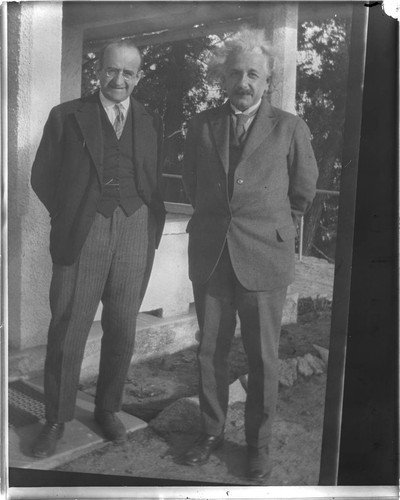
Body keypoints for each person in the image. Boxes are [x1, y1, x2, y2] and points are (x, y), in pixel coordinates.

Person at [182, 26, 318, 480]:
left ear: (267, 81)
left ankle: (257, 445)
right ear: (223, 77)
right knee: (209, 354)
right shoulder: (201, 126)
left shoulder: (291, 128)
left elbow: (302, 192)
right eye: (236, 72)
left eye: (254, 75)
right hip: (212, 256)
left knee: (263, 358)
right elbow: (192, 184)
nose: (244, 82)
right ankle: (211, 432)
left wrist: (274, 230)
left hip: (264, 258)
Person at [30, 40, 166, 458]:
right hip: (84, 231)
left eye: (128, 73)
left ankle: (108, 409)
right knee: (69, 328)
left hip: (134, 228)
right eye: (111, 70)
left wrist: (137, 214)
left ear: (138, 77)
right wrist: (72, 214)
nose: (118, 79)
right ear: (98, 70)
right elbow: (42, 176)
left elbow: (151, 175)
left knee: (124, 327)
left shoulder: (147, 118)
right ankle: (56, 418)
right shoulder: (67, 116)